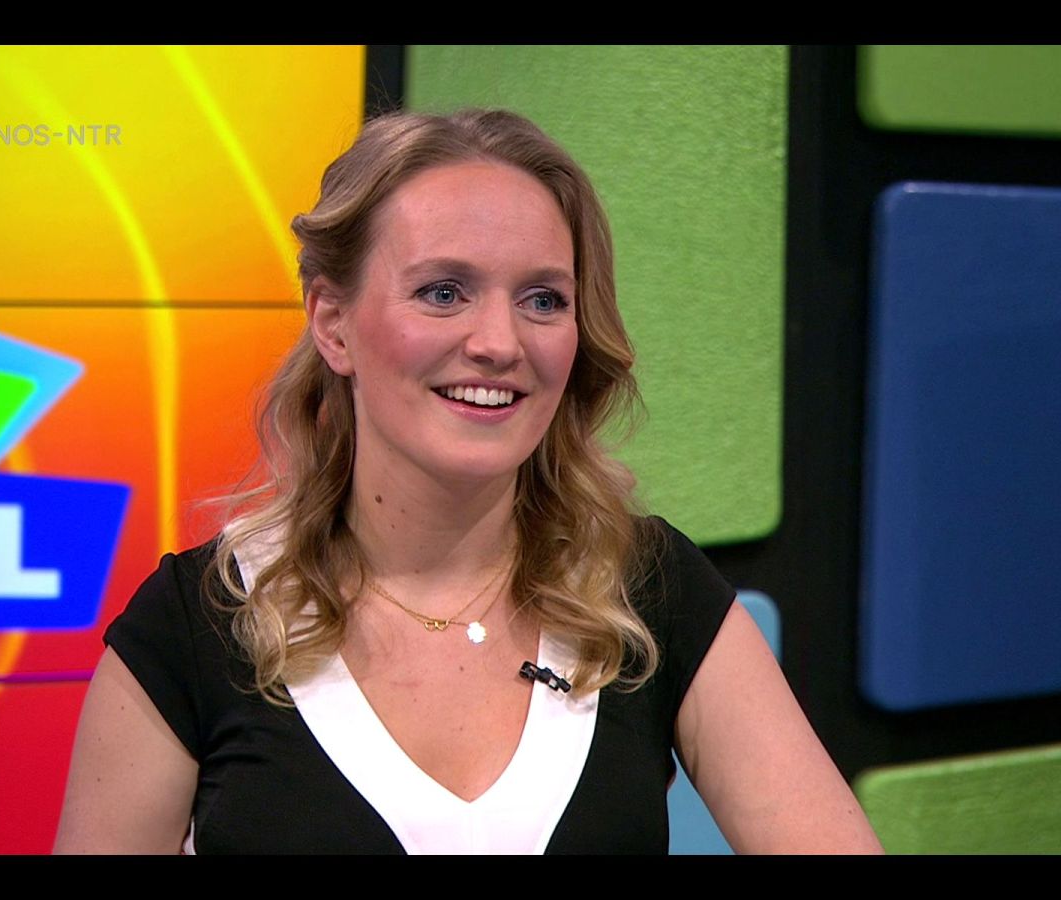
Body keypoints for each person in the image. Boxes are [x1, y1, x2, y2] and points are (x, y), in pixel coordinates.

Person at [54, 109, 883, 854]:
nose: (499, 342)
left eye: (543, 300)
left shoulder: (651, 590)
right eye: (443, 292)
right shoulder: (196, 623)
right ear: (333, 324)